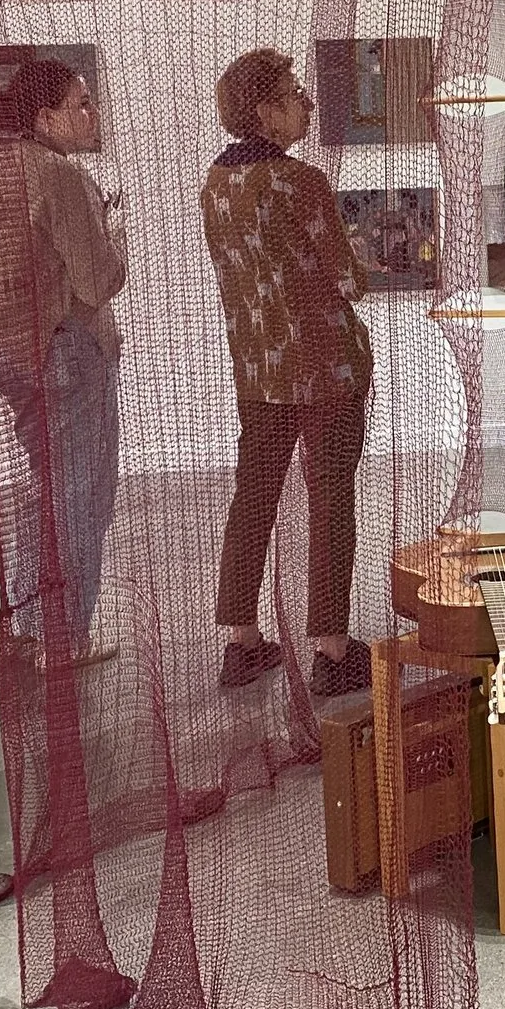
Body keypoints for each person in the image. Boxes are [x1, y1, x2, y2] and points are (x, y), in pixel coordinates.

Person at [202, 49, 372, 695]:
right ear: (266, 111)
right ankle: (331, 648)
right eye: (295, 93)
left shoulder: (216, 184)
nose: (307, 101)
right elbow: (348, 279)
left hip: (259, 369)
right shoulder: (300, 181)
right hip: (324, 368)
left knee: (254, 495)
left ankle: (240, 640)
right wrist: (356, 258)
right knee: (330, 499)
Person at [0, 57, 126, 659]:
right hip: (69, 348)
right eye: (81, 103)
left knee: (43, 492)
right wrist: (115, 233)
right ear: (45, 116)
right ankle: (65, 636)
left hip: (12, 351)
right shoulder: (60, 176)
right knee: (80, 495)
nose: (93, 113)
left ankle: (25, 627)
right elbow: (98, 280)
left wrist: (2, 306)